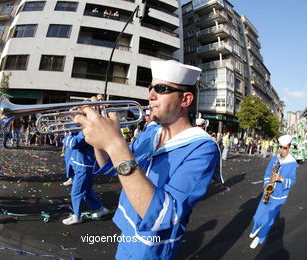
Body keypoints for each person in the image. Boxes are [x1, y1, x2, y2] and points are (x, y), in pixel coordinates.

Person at [74, 60, 220, 259]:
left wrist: (116, 145)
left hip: (153, 245)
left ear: (185, 99)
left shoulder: (202, 148)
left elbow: (163, 215)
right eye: (151, 87)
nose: (150, 95)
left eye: (161, 89)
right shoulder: (151, 131)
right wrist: (97, 138)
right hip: (127, 232)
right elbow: (112, 167)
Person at [249, 135, 297, 249]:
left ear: (289, 148)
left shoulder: (292, 163)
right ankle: (256, 227)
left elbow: (293, 181)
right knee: (257, 216)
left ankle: (260, 237)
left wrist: (281, 179)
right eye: (280, 147)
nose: (282, 150)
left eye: (284, 148)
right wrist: (266, 185)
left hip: (279, 196)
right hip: (268, 192)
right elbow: (267, 174)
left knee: (268, 220)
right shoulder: (274, 159)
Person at [62, 130, 109, 225]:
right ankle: (100, 209)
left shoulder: (88, 129)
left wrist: (66, 137)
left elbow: (73, 144)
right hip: (79, 164)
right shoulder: (82, 128)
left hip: (84, 166)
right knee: (87, 191)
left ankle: (77, 216)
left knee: (76, 192)